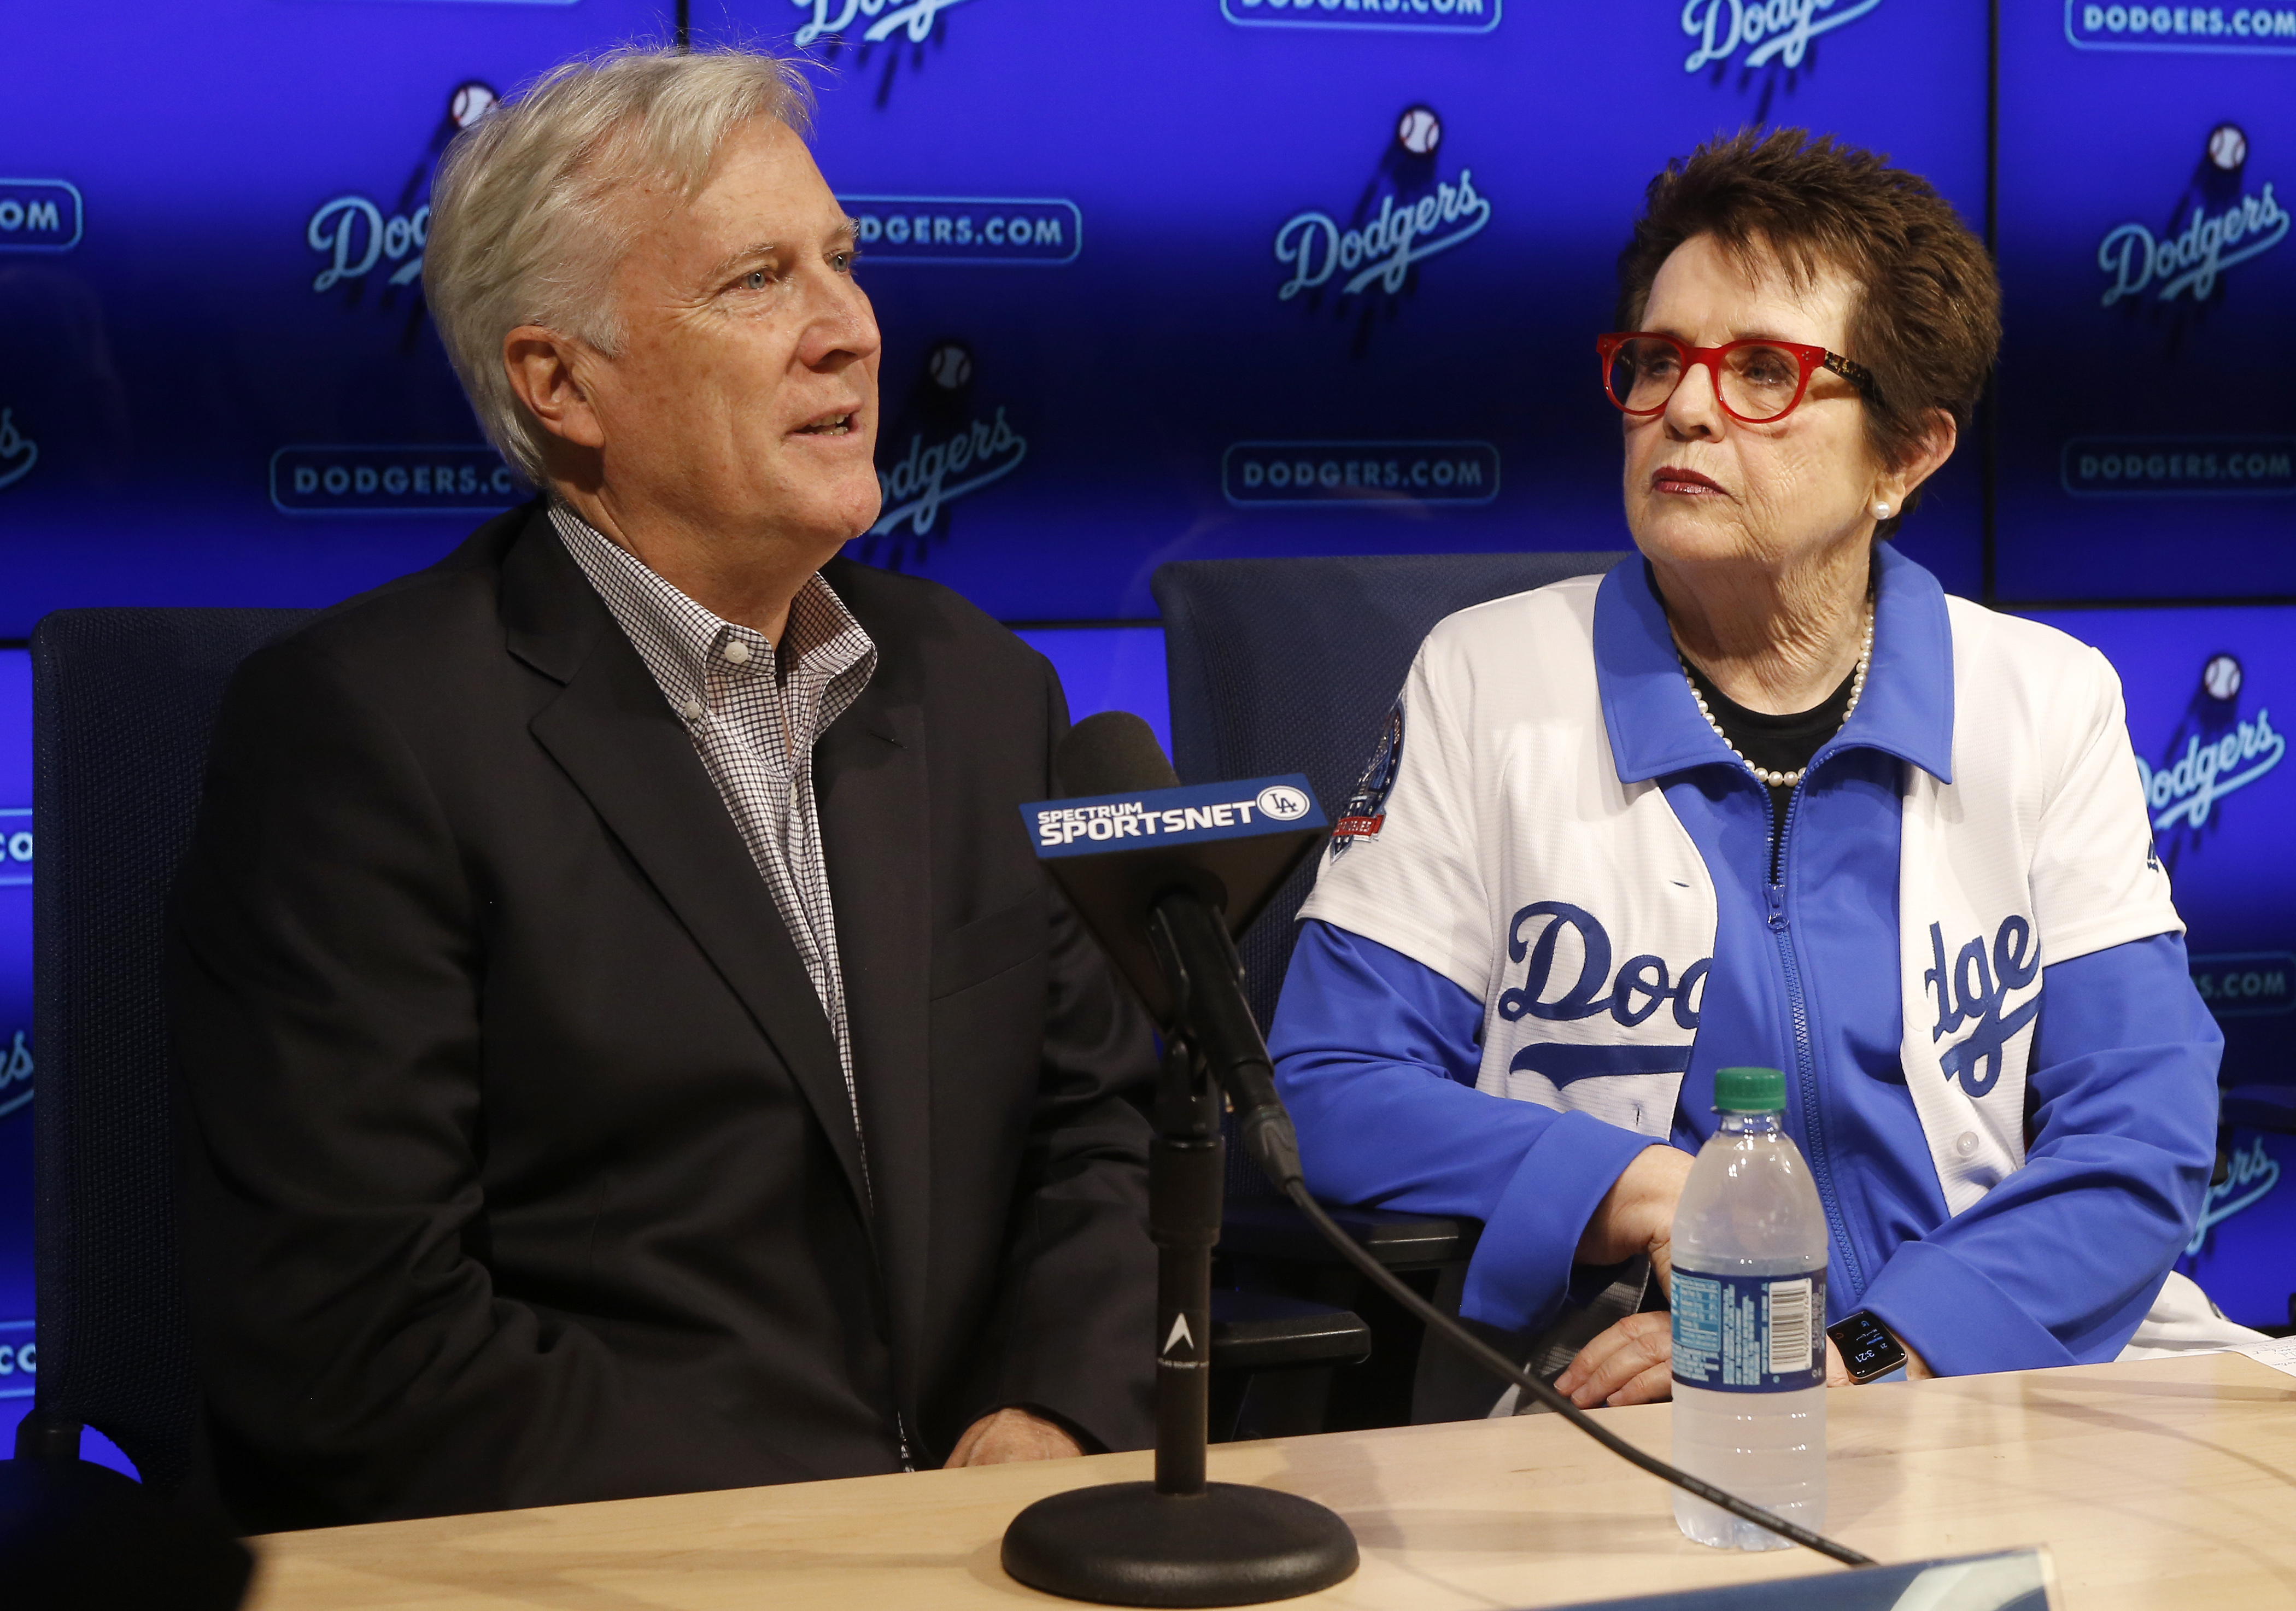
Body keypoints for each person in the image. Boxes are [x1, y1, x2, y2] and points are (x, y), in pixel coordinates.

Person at [168, 45, 1157, 1529]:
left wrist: (1048, 1411)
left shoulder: (979, 689)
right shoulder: (365, 738)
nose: (850, 331)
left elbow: (1099, 1133)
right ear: (561, 382)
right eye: (757, 281)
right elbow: (363, 1338)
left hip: (980, 1541)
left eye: (842, 260)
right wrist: (839, 1527)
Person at [1268, 128, 2257, 1416]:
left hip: (1996, 1382)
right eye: (1659, 361)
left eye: (1762, 373)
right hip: (1643, 1390)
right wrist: (1615, 1185)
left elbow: (2142, 1134)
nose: (1684, 408)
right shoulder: (1487, 681)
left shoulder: (2045, 699)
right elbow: (1324, 1091)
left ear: (1905, 457)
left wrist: (1880, 1350)